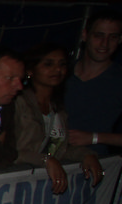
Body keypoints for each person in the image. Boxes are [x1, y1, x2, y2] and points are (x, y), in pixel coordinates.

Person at [13, 43, 103, 191]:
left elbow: (59, 149)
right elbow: (8, 151)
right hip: (14, 181)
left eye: (62, 64)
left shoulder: (58, 108)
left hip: (40, 186)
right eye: (48, 64)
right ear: (30, 70)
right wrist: (45, 160)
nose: (57, 69)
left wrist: (87, 155)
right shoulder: (17, 103)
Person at [66, 9, 122, 155]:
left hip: (95, 160)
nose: (104, 44)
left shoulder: (118, 79)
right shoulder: (61, 73)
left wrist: (94, 137)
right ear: (85, 35)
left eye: (113, 37)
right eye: (99, 35)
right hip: (52, 158)